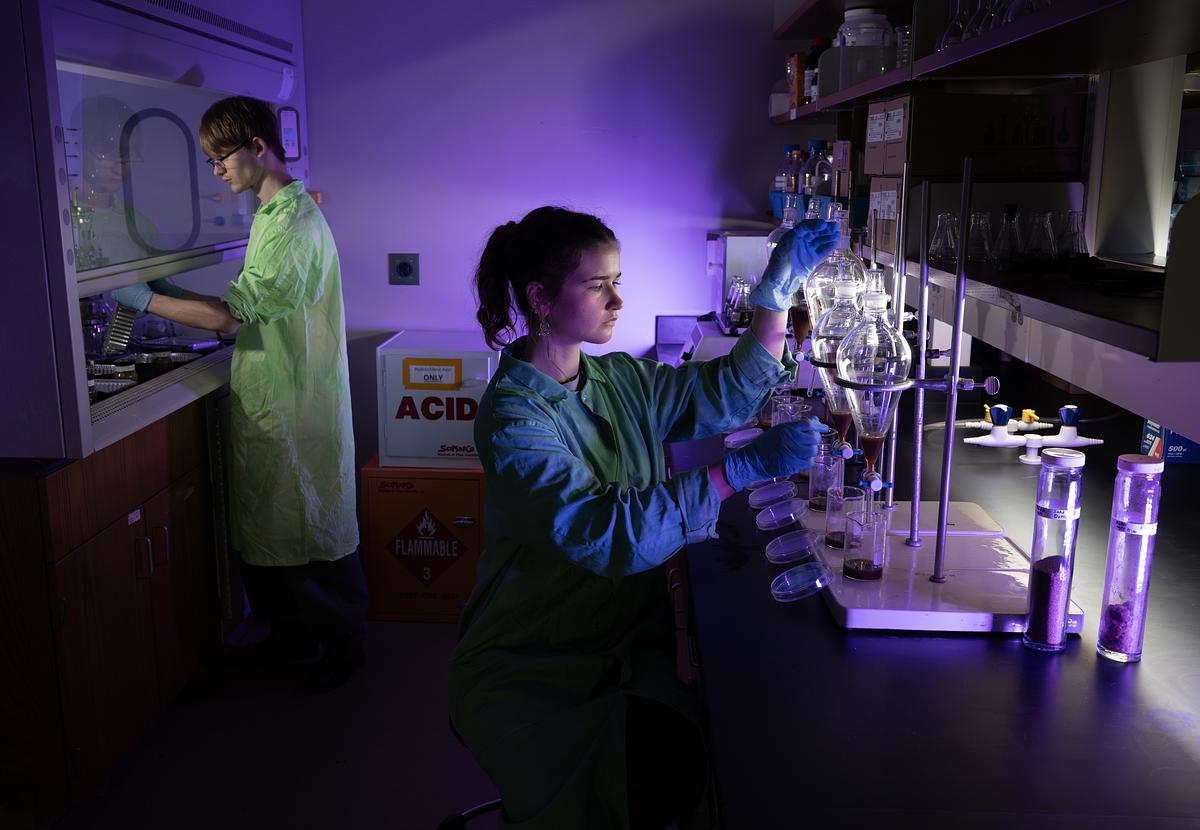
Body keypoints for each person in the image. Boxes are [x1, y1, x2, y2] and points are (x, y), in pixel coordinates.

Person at [448, 206, 837, 828]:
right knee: (653, 780)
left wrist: (776, 292)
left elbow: (724, 394)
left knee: (713, 746)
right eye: (597, 284)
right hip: (534, 664)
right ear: (540, 298)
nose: (617, 301)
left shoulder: (617, 378)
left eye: (617, 280)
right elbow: (605, 535)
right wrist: (735, 471)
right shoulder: (514, 417)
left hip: (621, 641)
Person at [112, 96, 365, 694]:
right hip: (275, 393)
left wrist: (148, 300)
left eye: (221, 156)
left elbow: (231, 316)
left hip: (300, 402)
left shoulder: (295, 224)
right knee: (275, 530)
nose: (217, 170)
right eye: (209, 160)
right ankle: (291, 637)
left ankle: (344, 646)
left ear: (257, 147)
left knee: (314, 531)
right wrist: (170, 288)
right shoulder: (272, 214)